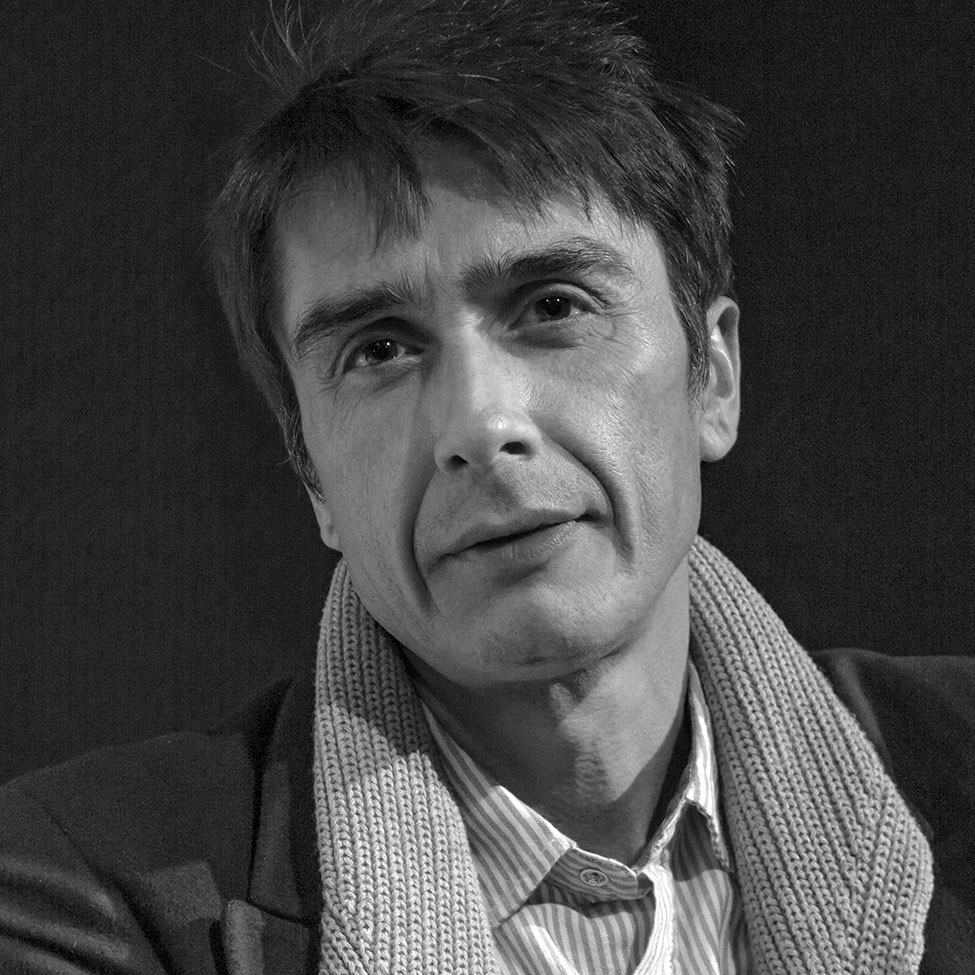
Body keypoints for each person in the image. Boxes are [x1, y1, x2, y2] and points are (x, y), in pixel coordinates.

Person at [1, 0, 972, 972]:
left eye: (552, 305)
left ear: (711, 376)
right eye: (378, 350)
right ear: (312, 475)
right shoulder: (73, 896)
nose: (478, 423)